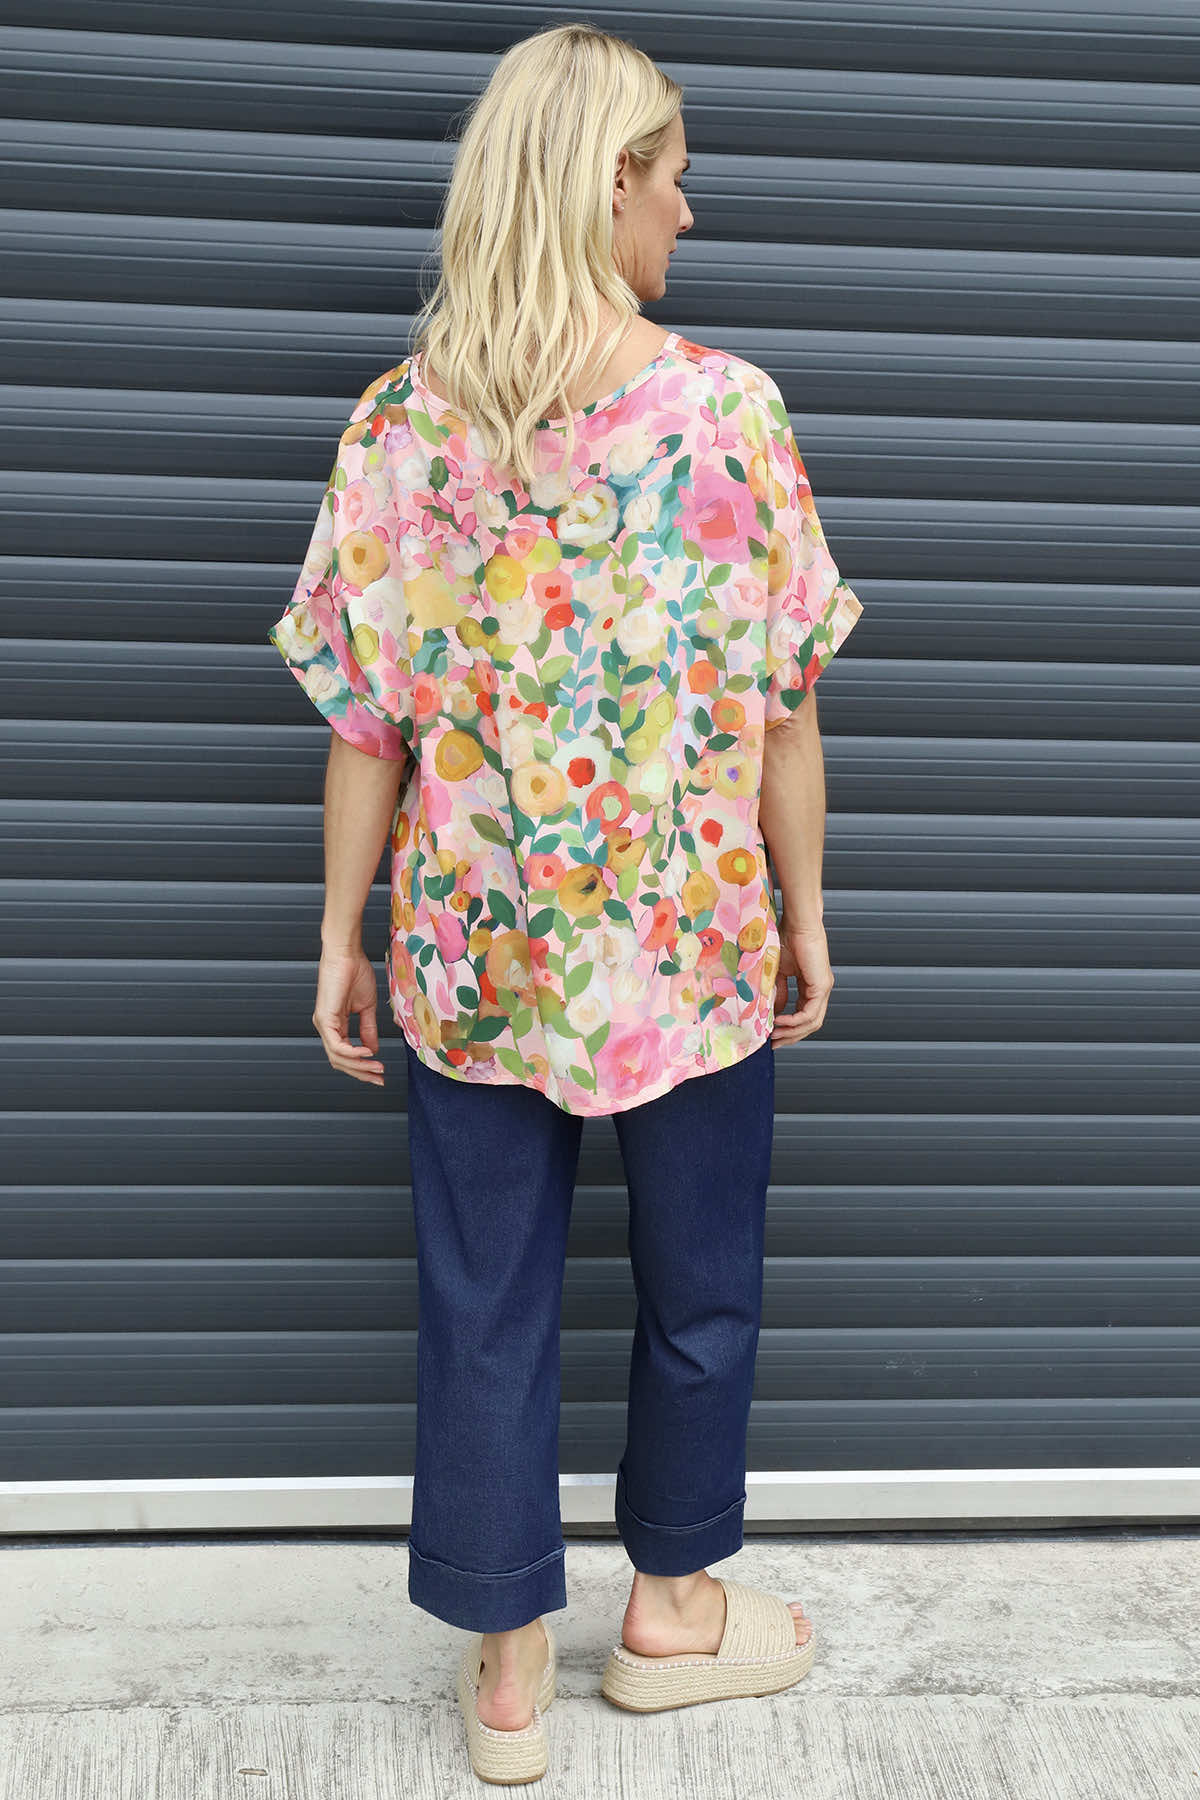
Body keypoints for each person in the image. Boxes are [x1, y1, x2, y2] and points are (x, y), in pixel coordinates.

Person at [268, 21, 863, 1785]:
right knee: (702, 1282)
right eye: (673, 176)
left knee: (486, 1296)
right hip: (687, 948)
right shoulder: (729, 413)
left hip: (479, 953)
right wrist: (806, 911)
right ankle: (672, 1616)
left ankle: (512, 1666)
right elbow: (784, 709)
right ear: (609, 182)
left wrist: (341, 931)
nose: (688, 209)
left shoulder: (404, 424)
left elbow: (367, 720)